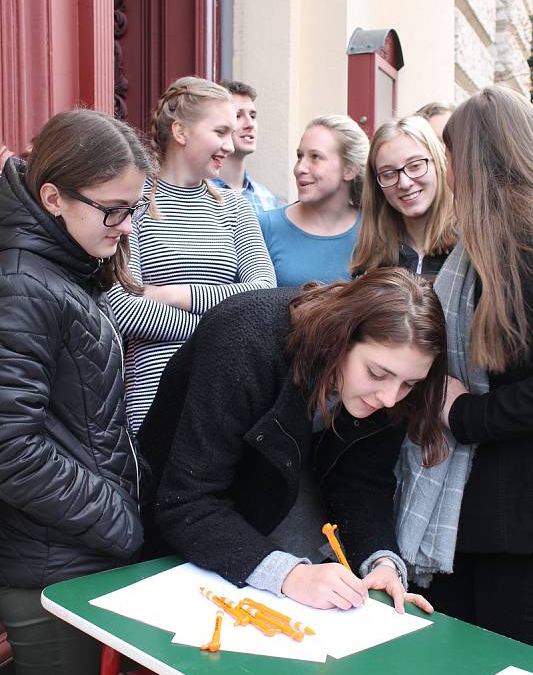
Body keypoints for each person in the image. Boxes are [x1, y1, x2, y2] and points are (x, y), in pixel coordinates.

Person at [139, 268, 448, 613]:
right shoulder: (245, 337)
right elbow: (185, 500)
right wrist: (291, 575)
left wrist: (381, 563)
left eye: (409, 385)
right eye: (377, 373)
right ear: (340, 337)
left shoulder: (389, 383)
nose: (390, 398)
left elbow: (362, 481)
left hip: (275, 512)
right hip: (177, 551)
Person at [0, 109, 149, 675]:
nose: (125, 228)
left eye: (134, 210)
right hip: (45, 561)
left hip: (66, 549)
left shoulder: (61, 268)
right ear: (53, 196)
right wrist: (117, 520)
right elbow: (12, 448)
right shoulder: (24, 283)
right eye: (113, 212)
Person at [396, 86, 533, 645]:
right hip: (479, 510)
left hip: (514, 521)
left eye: (450, 155)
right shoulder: (481, 243)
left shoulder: (521, 246)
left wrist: (467, 415)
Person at [108, 76, 276, 434]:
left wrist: (174, 294)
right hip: (153, 395)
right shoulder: (134, 203)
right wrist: (221, 327)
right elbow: (122, 309)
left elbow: (263, 291)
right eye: (220, 132)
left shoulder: (235, 208)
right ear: (181, 131)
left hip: (226, 394)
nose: (230, 146)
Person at [259, 114, 369, 286]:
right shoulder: (264, 226)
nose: (299, 168)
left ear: (349, 170)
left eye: (315, 157)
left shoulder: (374, 231)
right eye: (299, 156)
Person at [350, 115, 455, 283]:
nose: (404, 183)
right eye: (388, 174)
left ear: (438, 164)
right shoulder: (371, 257)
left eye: (415, 165)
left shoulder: (469, 247)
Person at [210, 79, 279, 214]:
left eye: (253, 116)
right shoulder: (197, 193)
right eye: (238, 115)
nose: (250, 123)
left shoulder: (267, 199)